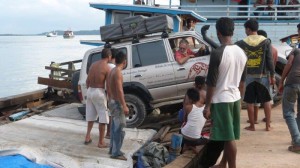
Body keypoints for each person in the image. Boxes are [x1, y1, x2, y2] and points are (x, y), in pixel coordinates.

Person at [203, 17, 247, 168]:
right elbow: (242, 82)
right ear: (232, 31)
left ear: (218, 32)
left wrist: (207, 106)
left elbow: (211, 84)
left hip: (222, 101)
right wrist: (240, 101)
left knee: (228, 138)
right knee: (229, 135)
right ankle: (223, 163)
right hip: (235, 98)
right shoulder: (242, 52)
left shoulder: (217, 53)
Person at [236, 19, 275, 132]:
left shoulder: (242, 43)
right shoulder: (266, 41)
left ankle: (252, 126)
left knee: (250, 102)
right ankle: (267, 126)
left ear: (248, 29)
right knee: (267, 101)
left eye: (245, 29)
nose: (245, 31)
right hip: (263, 75)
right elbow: (269, 60)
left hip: (248, 76)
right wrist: (272, 75)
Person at [84, 48, 112, 148]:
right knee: (103, 118)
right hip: (99, 92)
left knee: (91, 116)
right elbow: (108, 86)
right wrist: (109, 99)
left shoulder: (93, 65)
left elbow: (87, 81)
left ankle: (87, 137)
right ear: (109, 57)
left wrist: (90, 91)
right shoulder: (107, 68)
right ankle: (101, 142)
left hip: (90, 90)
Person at [250, 29, 278, 124]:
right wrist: (273, 75)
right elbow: (273, 63)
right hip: (269, 74)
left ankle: (254, 119)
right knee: (268, 99)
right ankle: (268, 121)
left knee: (256, 99)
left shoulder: (260, 47)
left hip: (260, 74)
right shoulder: (274, 49)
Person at [108, 51, 129, 160]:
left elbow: (108, 86)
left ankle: (112, 149)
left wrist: (110, 99)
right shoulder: (118, 72)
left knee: (114, 127)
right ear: (124, 62)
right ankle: (116, 153)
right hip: (116, 103)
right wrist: (124, 105)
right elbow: (120, 91)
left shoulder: (112, 71)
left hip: (111, 101)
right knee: (119, 128)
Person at [278, 48, 300, 153]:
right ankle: (298, 140)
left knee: (288, 113)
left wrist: (281, 81)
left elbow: (289, 64)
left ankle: (297, 142)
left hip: (293, 82)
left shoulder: (296, 51)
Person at [180, 88, 208, 154]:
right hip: (196, 140)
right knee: (207, 138)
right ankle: (191, 147)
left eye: (186, 98)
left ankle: (187, 147)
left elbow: (184, 120)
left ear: (190, 99)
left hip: (184, 136)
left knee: (183, 126)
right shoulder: (206, 109)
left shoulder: (188, 107)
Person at [105, 48, 117, 139]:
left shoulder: (104, 65)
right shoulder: (113, 67)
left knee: (107, 113)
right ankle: (110, 133)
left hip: (103, 91)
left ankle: (108, 132)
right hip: (111, 92)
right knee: (112, 113)